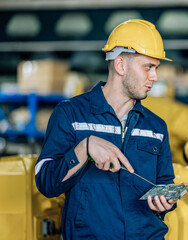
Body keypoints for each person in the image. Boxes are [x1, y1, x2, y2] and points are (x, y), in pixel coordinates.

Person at [35, 19, 179, 239]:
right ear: (120, 65)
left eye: (156, 68)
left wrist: (165, 203)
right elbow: (46, 183)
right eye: (148, 67)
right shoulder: (71, 114)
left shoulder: (156, 126)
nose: (155, 77)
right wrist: (85, 148)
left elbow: (164, 183)